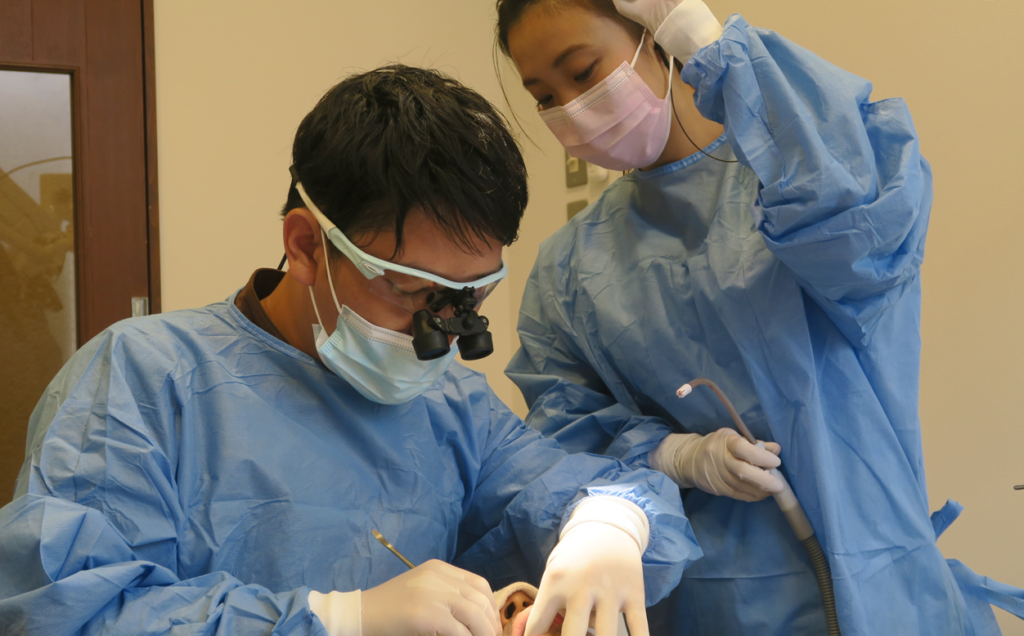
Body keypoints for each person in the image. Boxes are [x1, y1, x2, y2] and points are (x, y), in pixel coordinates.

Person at [0, 65, 704, 636]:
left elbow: (584, 485)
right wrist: (336, 621)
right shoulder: (141, 378)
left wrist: (609, 525)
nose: (440, 332)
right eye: (409, 292)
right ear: (307, 245)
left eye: (465, 300)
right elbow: (67, 613)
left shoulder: (452, 405)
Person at [495, 0, 1024, 634]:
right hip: (711, 607)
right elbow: (563, 429)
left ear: (655, 42)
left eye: (583, 72)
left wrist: (707, 42)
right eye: (544, 97)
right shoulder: (569, 266)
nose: (572, 108)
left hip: (887, 590)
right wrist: (671, 454)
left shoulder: (798, 189)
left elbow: (862, 232)